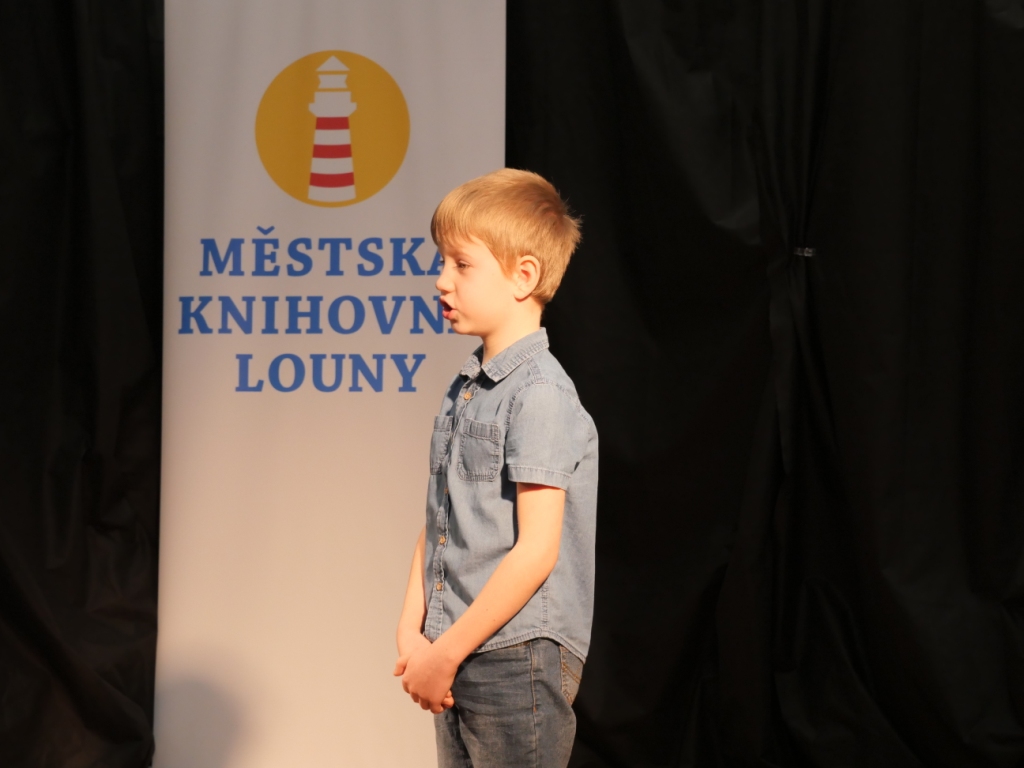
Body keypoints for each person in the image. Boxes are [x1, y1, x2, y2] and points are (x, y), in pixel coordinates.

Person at [393, 168, 599, 767]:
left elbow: (536, 550)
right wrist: (413, 631)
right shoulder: (466, 389)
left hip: (515, 656)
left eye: (462, 264)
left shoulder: (540, 394)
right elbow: (441, 521)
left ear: (524, 276)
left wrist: (445, 651)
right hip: (458, 648)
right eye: (442, 262)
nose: (442, 280)